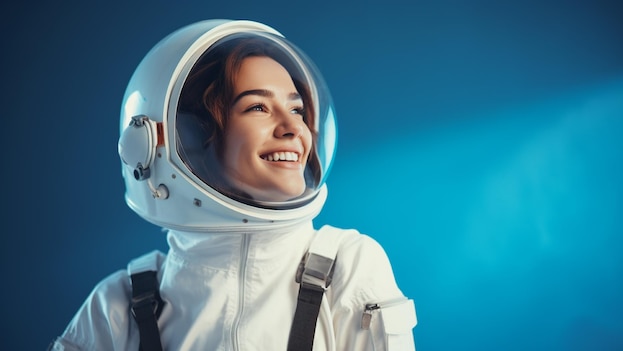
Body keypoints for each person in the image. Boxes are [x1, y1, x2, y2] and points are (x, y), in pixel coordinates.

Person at [49, 19, 417, 350]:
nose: (293, 129)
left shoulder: (348, 268)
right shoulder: (118, 306)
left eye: (297, 109)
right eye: (258, 107)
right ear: (190, 138)